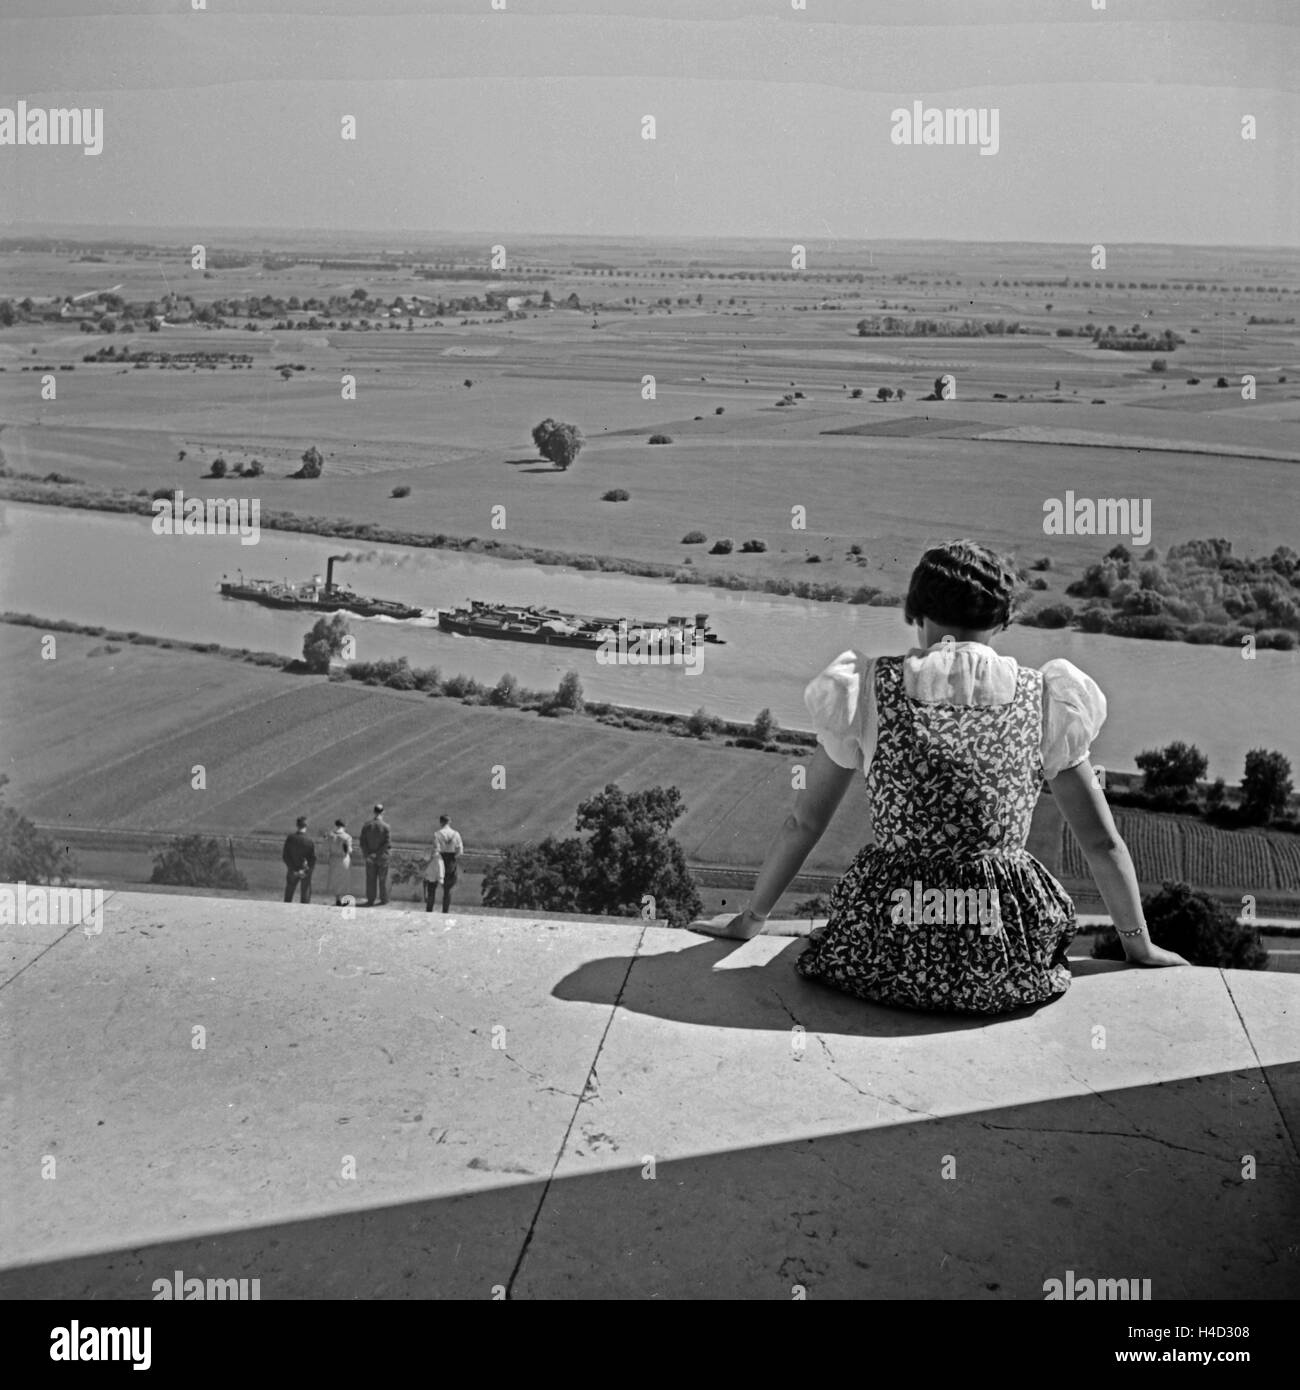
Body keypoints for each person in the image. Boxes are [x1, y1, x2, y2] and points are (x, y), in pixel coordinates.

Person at [691, 538, 1189, 1014]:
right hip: (1003, 963)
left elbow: (805, 823)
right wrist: (1137, 944)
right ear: (1002, 620)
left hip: (882, 954)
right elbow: (1102, 843)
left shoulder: (866, 690)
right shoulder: (1046, 698)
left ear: (915, 615)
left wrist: (750, 919)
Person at [359, 804, 391, 906]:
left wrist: (368, 854)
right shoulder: (386, 826)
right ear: (383, 812)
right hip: (382, 857)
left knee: (370, 879)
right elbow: (387, 843)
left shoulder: (367, 825)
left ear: (374, 812)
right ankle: (383, 899)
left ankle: (371, 899)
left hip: (370, 857)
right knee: (383, 879)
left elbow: (362, 842)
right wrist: (378, 853)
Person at [433, 814, 463, 913]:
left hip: (440, 859)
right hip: (451, 860)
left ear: (441, 822)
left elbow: (436, 850)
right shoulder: (456, 834)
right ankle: (445, 910)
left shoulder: (437, 834)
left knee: (433, 884)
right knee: (448, 889)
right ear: (449, 822)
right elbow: (460, 851)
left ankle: (430, 907)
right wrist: (453, 857)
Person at [282, 815, 315, 904]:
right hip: (305, 870)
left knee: (289, 894)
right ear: (306, 826)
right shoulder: (309, 840)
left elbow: (285, 856)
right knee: (305, 895)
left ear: (297, 825)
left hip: (292, 870)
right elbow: (312, 859)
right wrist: (306, 870)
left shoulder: (291, 838)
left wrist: (293, 869)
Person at [325, 819, 353, 906]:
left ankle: (337, 898)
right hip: (343, 859)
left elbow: (326, 848)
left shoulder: (329, 835)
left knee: (335, 879)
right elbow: (349, 850)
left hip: (333, 858)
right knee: (344, 879)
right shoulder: (347, 837)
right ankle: (345, 899)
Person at [422, 837, 445, 913]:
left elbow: (424, 859)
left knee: (429, 892)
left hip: (428, 876)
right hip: (433, 878)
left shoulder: (428, 852)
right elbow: (440, 868)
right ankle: (429, 908)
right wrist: (441, 879)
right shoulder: (439, 857)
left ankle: (428, 908)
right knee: (431, 893)